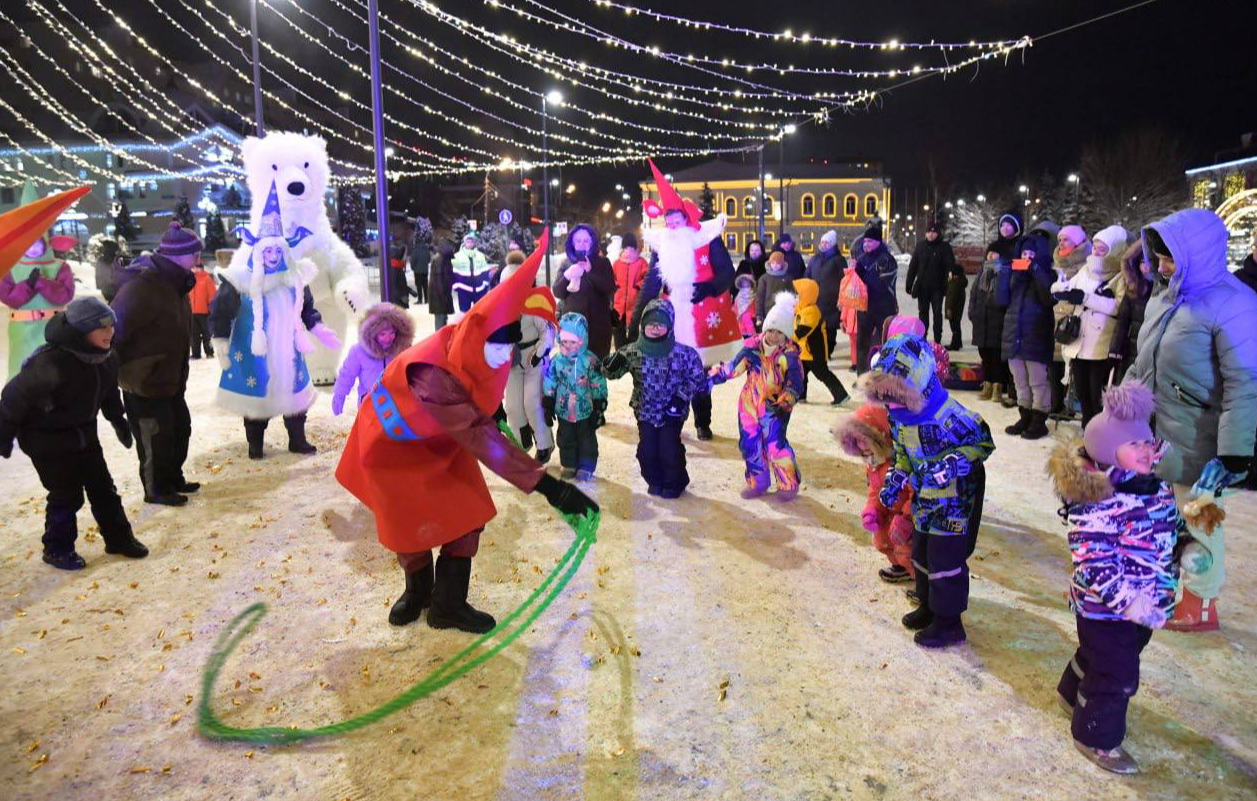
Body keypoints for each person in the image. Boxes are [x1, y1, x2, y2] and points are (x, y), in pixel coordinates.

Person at [335, 235, 598, 632]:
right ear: (478, 334)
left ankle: (448, 603)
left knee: (466, 514)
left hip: (438, 440)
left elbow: (480, 393)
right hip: (390, 447)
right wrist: (552, 490)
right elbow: (481, 438)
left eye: (505, 351)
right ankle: (418, 590)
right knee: (408, 522)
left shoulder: (470, 346)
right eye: (495, 348)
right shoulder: (433, 375)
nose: (500, 358)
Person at [1129, 209, 1257, 631]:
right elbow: (1144, 364)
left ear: (1196, 255)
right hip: (1159, 435)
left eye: (1170, 260)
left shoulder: (1235, 303)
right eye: (1158, 258)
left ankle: (1201, 600)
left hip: (1204, 441)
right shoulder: (1165, 298)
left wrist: (1235, 451)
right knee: (1163, 517)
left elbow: (1246, 383)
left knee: (1201, 520)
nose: (1161, 268)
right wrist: (1121, 406)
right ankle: (1165, 585)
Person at [1047, 381, 1181, 775]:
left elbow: (1163, 529)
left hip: (1146, 601)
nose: (1146, 451)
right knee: (1117, 672)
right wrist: (1132, 603)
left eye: (1147, 443)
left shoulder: (1153, 487)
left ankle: (1071, 693)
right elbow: (1095, 566)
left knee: (1104, 656)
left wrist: (1187, 543)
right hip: (1105, 608)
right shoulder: (1097, 504)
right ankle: (1096, 735)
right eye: (1133, 446)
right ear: (1108, 453)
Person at [860, 333, 995, 648]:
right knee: (920, 555)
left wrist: (954, 463)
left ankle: (949, 623)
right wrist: (897, 476)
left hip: (952, 505)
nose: (888, 406)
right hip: (923, 501)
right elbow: (906, 453)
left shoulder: (948, 415)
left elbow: (982, 442)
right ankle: (928, 605)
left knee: (945, 562)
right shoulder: (902, 417)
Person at [0, 298, 148, 570]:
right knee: (66, 494)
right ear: (81, 331)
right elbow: (13, 397)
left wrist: (118, 420)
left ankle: (118, 538)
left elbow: (108, 392)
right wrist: (4, 434)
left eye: (111, 326)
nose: (109, 333)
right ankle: (57, 548)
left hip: (84, 433)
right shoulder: (51, 363)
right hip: (46, 437)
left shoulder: (106, 357)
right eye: (101, 328)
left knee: (104, 488)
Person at [209, 183, 341, 461]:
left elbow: (307, 310)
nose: (272, 257)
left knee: (295, 394)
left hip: (289, 349)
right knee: (257, 397)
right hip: (253, 349)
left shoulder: (294, 279)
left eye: (277, 252)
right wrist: (220, 342)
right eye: (267, 253)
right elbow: (221, 311)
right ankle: (255, 443)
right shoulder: (240, 281)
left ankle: (297, 439)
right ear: (258, 253)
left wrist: (318, 328)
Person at [630, 161, 741, 441]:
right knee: (671, 373)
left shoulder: (707, 239)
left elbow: (728, 273)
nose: (672, 225)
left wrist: (709, 288)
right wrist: (636, 320)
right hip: (673, 317)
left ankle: (703, 421)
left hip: (704, 316)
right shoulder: (662, 244)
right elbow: (652, 284)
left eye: (676, 220)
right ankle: (675, 422)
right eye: (668, 221)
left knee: (699, 373)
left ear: (686, 219)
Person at [110, 221, 200, 506]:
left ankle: (172, 478)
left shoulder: (175, 283)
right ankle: (155, 489)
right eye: (194, 254)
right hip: (145, 382)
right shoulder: (144, 285)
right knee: (154, 438)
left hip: (170, 378)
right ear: (177, 256)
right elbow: (114, 329)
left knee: (179, 429)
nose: (198, 259)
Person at [604, 298, 707, 499]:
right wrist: (609, 366)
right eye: (651, 323)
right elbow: (610, 373)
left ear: (670, 326)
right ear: (643, 324)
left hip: (672, 411)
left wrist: (681, 398)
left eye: (661, 324)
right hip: (645, 411)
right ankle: (655, 480)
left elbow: (697, 375)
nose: (655, 328)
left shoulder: (683, 353)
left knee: (669, 449)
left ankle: (675, 482)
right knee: (647, 451)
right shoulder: (633, 351)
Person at [709, 293, 803, 500]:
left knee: (775, 446)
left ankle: (788, 484)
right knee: (750, 443)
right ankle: (758, 482)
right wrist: (711, 378)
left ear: (786, 335)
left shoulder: (790, 356)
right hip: (749, 405)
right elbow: (734, 367)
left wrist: (788, 398)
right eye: (770, 330)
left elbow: (795, 382)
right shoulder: (752, 348)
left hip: (774, 408)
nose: (773, 336)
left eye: (779, 332)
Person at [1052, 225, 1128, 427]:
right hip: (1079, 341)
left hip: (1100, 345)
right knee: (1083, 394)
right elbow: (1069, 286)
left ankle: (1097, 437)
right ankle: (1087, 432)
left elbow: (1119, 307)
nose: (1096, 252)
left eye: (1102, 249)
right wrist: (1061, 290)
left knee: (1097, 397)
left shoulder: (1120, 275)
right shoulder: (1087, 269)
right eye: (1095, 247)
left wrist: (1086, 298)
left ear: (1115, 250)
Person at [832, 403, 915, 584]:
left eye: (865, 440)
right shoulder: (874, 463)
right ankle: (901, 566)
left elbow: (915, 493)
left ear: (881, 437)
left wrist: (907, 518)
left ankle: (921, 580)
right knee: (882, 540)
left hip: (909, 516)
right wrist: (873, 510)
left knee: (907, 549)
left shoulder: (902, 463)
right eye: (856, 443)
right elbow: (875, 491)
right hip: (890, 512)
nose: (862, 447)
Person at [1, 188, 76, 379]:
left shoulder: (60, 266)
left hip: (54, 329)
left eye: (36, 241)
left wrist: (42, 282)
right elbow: (10, 298)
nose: (32, 247)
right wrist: (28, 285)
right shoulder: (8, 267)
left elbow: (65, 295)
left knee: (57, 373)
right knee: (21, 373)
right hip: (22, 331)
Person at [996, 222, 1057, 439]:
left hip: (1036, 335)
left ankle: (1039, 420)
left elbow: (1049, 298)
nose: (1027, 257)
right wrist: (1004, 273)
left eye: (1032, 253)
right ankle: (1025, 416)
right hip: (1014, 335)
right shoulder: (1016, 276)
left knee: (1037, 381)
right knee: (1019, 380)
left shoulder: (1048, 274)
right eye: (1024, 253)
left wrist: (1036, 270)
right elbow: (1001, 299)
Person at [500, 250, 558, 463]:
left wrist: (540, 352)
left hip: (534, 358)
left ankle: (544, 443)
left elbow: (548, 332)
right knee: (513, 406)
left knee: (531, 402)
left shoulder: (535, 304)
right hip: (512, 361)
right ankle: (521, 443)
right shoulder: (501, 307)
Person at [542, 312, 607, 481]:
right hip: (563, 410)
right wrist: (548, 403)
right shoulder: (557, 361)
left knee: (587, 440)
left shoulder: (590, 360)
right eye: (564, 341)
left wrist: (599, 406)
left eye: (573, 342)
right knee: (566, 438)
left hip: (585, 410)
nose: (568, 346)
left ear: (582, 340)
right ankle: (569, 464)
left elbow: (598, 382)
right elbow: (550, 381)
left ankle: (586, 466)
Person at [969, 212, 1021, 403]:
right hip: (982, 318)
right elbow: (974, 293)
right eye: (1002, 225)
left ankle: (999, 386)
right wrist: (973, 312)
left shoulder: (1014, 255)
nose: (1004, 229)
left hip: (999, 318)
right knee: (985, 353)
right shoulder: (983, 272)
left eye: (1009, 225)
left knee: (998, 354)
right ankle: (988, 383)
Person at [332, 302, 415, 417]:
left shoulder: (402, 349)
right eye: (383, 334)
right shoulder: (359, 351)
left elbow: (412, 372)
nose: (388, 338)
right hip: (370, 405)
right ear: (372, 333)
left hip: (397, 406)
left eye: (392, 333)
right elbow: (347, 374)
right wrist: (339, 395)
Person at [553, 224, 617, 360]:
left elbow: (609, 287)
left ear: (593, 242)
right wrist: (567, 276)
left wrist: (590, 271)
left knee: (596, 372)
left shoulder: (603, 262)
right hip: (572, 330)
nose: (582, 244)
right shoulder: (566, 263)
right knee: (572, 371)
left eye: (586, 240)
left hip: (598, 329)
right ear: (572, 243)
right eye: (578, 240)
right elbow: (558, 292)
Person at [1048, 225, 1092, 417]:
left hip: (1076, 321)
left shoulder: (1087, 265)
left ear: (1078, 242)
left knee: (1073, 366)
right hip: (1055, 318)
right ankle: (1056, 404)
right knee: (1055, 364)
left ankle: (1073, 404)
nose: (1061, 243)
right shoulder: (1056, 263)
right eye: (1060, 240)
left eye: (1066, 239)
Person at [792, 278, 848, 405]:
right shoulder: (800, 309)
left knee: (822, 374)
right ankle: (801, 396)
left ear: (806, 295)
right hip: (803, 352)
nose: (796, 297)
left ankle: (841, 395)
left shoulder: (811, 311)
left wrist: (788, 336)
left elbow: (802, 331)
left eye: (799, 294)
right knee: (801, 374)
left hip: (814, 352)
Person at [850, 224, 898, 374]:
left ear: (878, 241)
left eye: (870, 241)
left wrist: (861, 273)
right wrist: (853, 272)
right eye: (865, 241)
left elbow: (881, 285)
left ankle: (880, 376)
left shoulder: (887, 260)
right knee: (862, 343)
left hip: (883, 308)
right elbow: (856, 283)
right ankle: (862, 377)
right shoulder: (862, 259)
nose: (866, 244)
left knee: (881, 344)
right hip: (864, 307)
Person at [904, 219, 959, 345]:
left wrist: (949, 280)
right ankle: (922, 337)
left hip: (938, 288)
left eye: (934, 232)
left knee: (937, 313)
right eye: (929, 232)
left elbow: (950, 265)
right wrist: (909, 283)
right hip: (923, 287)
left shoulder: (944, 247)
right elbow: (913, 266)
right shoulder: (920, 246)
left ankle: (937, 339)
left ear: (938, 233)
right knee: (923, 314)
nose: (931, 234)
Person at [1109, 240, 1153, 385]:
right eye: (1142, 262)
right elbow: (1122, 322)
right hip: (1131, 351)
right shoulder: (1134, 289)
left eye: (1149, 262)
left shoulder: (1166, 292)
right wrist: (1115, 350)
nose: (1145, 268)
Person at [805, 229, 846, 359]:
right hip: (816, 301)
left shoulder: (839, 260)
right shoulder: (814, 259)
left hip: (832, 302)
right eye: (822, 242)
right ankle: (819, 352)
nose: (824, 245)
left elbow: (844, 280)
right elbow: (807, 276)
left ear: (833, 244)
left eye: (827, 243)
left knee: (830, 330)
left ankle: (828, 351)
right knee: (816, 329)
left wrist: (842, 298)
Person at [611, 232, 649, 350]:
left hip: (635, 305)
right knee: (619, 334)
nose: (628, 250)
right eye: (626, 247)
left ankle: (633, 361)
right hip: (619, 306)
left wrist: (638, 286)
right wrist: (616, 287)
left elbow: (647, 278)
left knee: (634, 335)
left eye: (630, 246)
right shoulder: (617, 263)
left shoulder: (641, 262)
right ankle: (620, 360)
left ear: (635, 247)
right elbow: (612, 279)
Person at [450, 233, 490, 324]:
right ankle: (465, 333)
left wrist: (485, 285)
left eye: (471, 241)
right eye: (468, 241)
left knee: (480, 315)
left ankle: (478, 333)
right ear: (464, 243)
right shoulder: (457, 256)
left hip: (479, 291)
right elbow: (453, 273)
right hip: (464, 291)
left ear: (474, 243)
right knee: (464, 316)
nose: (469, 243)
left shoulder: (480, 255)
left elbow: (485, 271)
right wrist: (456, 286)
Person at [755, 251, 795, 330]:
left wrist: (792, 312)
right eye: (773, 263)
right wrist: (759, 315)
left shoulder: (788, 278)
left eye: (777, 263)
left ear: (782, 264)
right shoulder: (764, 278)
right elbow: (759, 297)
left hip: (783, 313)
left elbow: (792, 295)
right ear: (769, 263)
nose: (775, 266)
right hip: (767, 312)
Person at [189, 260, 217, 360]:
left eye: (196, 267)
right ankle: (196, 354)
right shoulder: (191, 279)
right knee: (194, 335)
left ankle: (209, 352)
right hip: (192, 312)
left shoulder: (207, 279)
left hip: (205, 312)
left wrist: (211, 309)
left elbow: (212, 295)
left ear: (200, 268)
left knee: (207, 334)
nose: (194, 269)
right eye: (193, 267)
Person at [428, 238, 455, 328]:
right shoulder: (440, 259)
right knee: (440, 319)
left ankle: (442, 338)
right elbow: (439, 279)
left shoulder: (444, 258)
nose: (453, 249)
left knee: (443, 318)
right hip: (440, 297)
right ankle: (440, 340)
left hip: (441, 295)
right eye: (451, 247)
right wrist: (443, 295)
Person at [943, 262, 968, 352]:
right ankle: (958, 342)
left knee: (954, 327)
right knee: (957, 326)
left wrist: (949, 310)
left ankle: (955, 344)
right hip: (957, 310)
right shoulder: (958, 282)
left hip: (953, 310)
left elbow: (951, 298)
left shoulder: (955, 283)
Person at [387, 237, 411, 309]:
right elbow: (394, 285)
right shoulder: (394, 266)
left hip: (400, 298)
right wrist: (401, 296)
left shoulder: (397, 265)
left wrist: (409, 290)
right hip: (399, 300)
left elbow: (401, 283)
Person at [733, 273, 757, 339]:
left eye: (747, 282)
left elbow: (754, 303)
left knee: (750, 327)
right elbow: (736, 302)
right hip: (741, 314)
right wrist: (736, 311)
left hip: (750, 314)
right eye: (743, 282)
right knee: (742, 327)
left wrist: (753, 313)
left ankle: (752, 340)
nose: (745, 283)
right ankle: (746, 341)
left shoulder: (753, 293)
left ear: (750, 282)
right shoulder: (740, 293)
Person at [409, 233, 430, 305]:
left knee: (419, 286)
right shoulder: (426, 249)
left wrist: (413, 267)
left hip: (417, 271)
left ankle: (420, 300)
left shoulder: (415, 250)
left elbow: (412, 260)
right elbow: (429, 259)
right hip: (425, 270)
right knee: (425, 285)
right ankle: (427, 300)